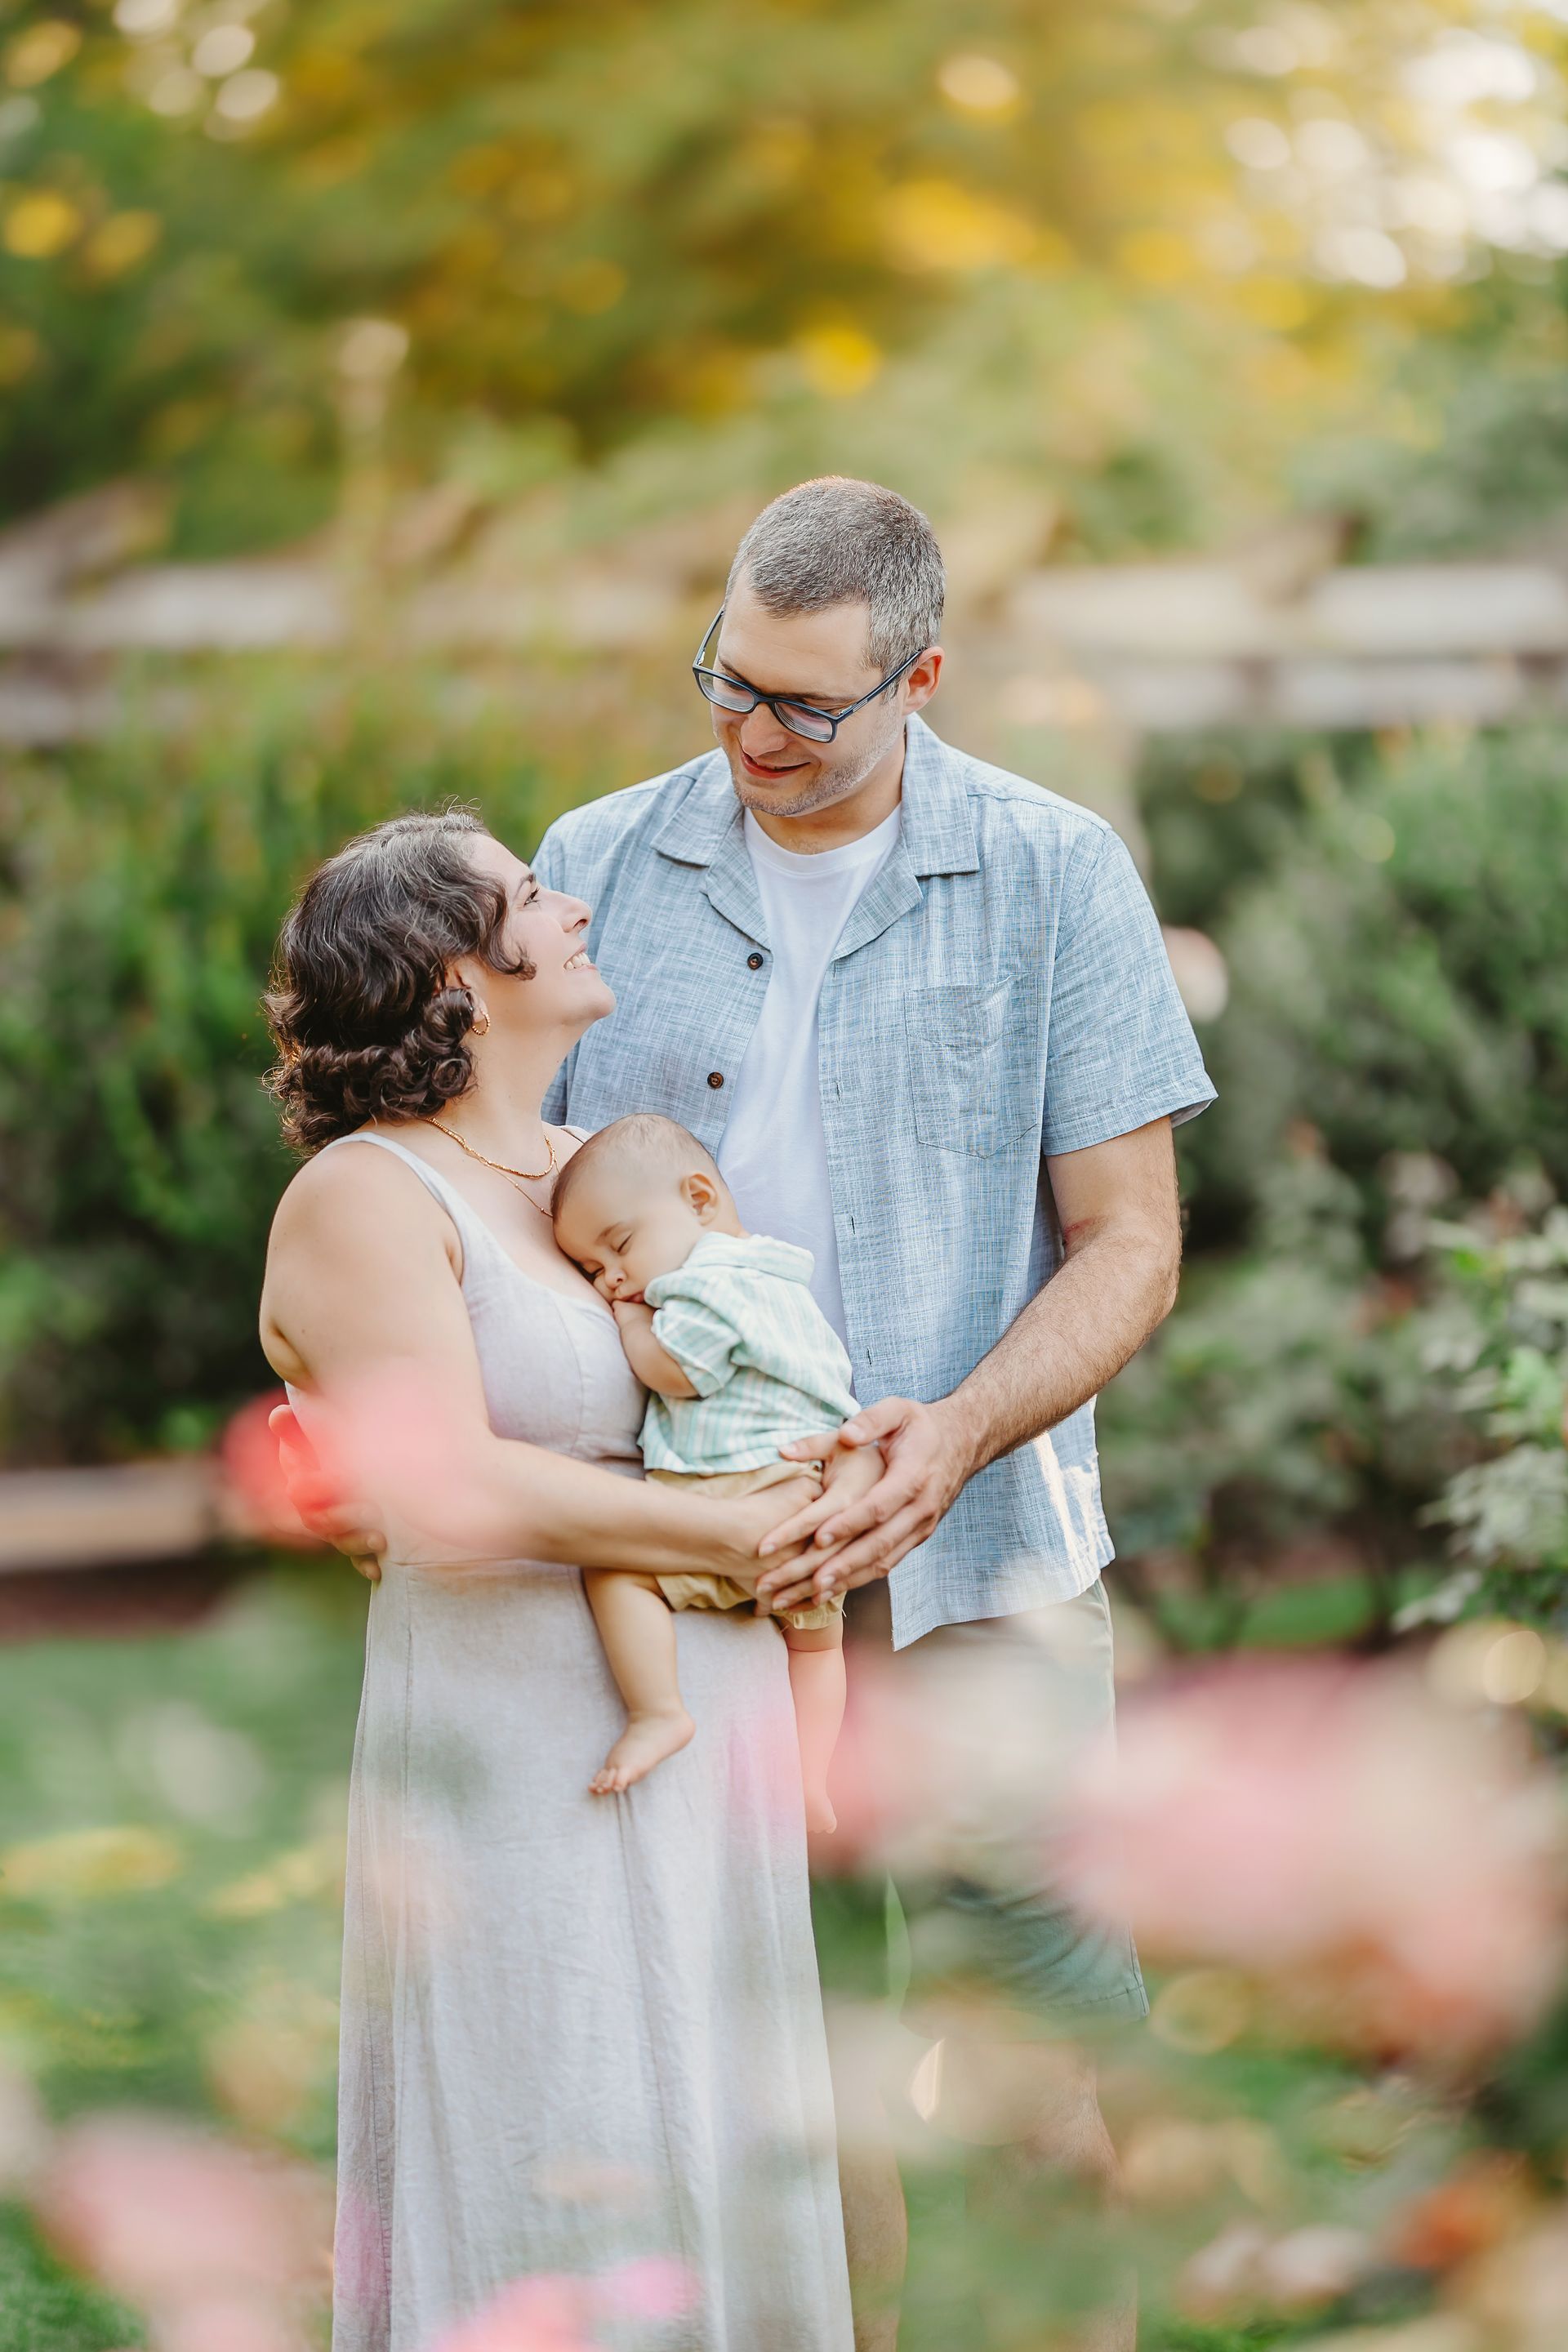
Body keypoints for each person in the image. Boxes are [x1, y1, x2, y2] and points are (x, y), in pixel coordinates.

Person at [280, 474, 1215, 2351]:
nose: (750, 734)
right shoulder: (593, 861)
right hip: (683, 1577)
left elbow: (1129, 1245)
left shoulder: (1055, 871)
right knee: (775, 2043)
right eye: (727, 681)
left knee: (1032, 2044)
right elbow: (479, 1184)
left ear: (921, 677)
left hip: (980, 1572)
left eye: (805, 704)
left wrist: (942, 1438)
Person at [258, 808, 866, 2352]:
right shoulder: (369, 1195)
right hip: (525, 1745)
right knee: (555, 2131)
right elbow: (445, 1480)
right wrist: (739, 1536)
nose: (576, 906)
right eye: (532, 897)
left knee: (711, 2135)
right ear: (453, 975)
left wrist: (839, 1474)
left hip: (706, 1725)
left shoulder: (590, 1168)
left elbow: (730, 1378)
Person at [551, 1111, 854, 1826]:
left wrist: (630, 1323)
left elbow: (676, 1371)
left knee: (616, 1570)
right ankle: (812, 1779)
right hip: (811, 1505)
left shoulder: (706, 1282)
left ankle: (658, 1712)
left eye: (619, 1246)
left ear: (699, 1199)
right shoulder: (785, 1278)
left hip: (735, 1490)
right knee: (817, 1648)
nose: (613, 1277)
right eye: (593, 1270)